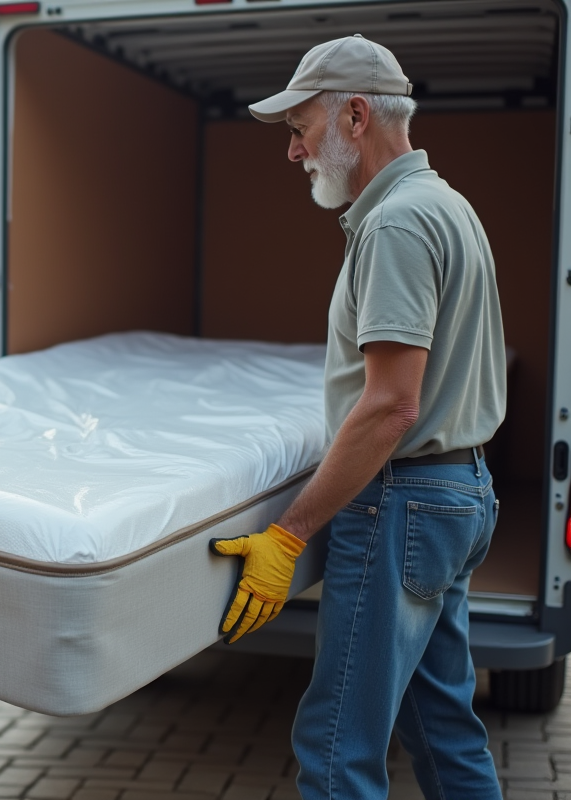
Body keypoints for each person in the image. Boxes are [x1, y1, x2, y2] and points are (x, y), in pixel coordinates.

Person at [208, 36, 505, 799]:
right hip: (458, 496)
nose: (294, 150)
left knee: (337, 748)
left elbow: (391, 405)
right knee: (444, 732)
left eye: (299, 128)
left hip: (402, 504)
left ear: (356, 115)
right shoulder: (447, 204)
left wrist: (289, 534)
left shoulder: (397, 224)